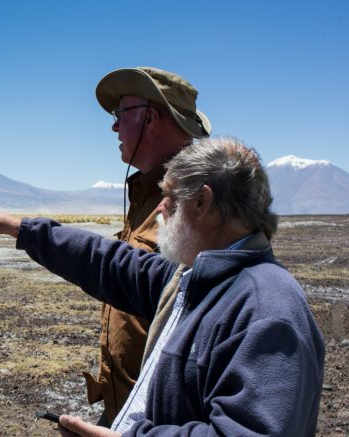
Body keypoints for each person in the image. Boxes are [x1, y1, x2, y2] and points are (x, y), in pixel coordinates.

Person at [0, 137, 325, 436]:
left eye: (169, 196)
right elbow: (109, 263)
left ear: (202, 202)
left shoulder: (266, 308)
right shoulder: (196, 281)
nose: (160, 209)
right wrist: (18, 227)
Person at [88, 66, 212, 425]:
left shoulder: (199, 203)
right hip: (125, 416)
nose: (113, 127)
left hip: (162, 422)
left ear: (151, 118)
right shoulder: (143, 195)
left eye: (120, 114)